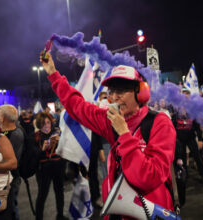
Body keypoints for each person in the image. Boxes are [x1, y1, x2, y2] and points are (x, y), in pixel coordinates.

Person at [40, 52, 176, 219]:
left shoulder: (160, 123)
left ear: (140, 93)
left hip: (148, 211)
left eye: (122, 90)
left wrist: (124, 134)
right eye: (112, 91)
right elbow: (78, 106)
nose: (114, 97)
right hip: (119, 210)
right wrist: (53, 74)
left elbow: (149, 177)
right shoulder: (109, 119)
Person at [34, 112, 67, 220]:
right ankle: (39, 218)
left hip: (58, 166)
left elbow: (65, 149)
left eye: (48, 123)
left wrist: (61, 142)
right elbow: (32, 156)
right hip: (43, 169)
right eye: (43, 124)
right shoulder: (35, 136)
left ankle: (60, 215)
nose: (47, 126)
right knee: (42, 195)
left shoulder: (57, 132)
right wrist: (42, 149)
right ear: (39, 125)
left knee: (59, 192)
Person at [0, 104, 24, 220]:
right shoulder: (14, 131)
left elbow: (5, 159)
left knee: (11, 209)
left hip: (10, 178)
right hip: (9, 177)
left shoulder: (12, 135)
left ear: (2, 118)